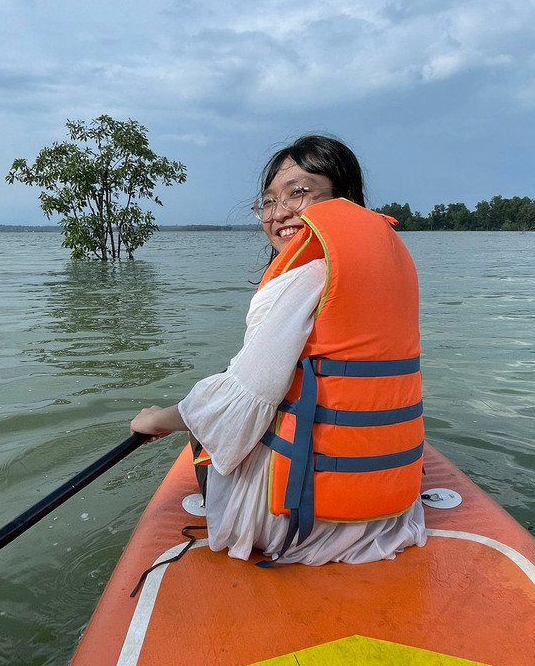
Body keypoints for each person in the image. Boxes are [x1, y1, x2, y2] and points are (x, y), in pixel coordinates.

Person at [131, 135, 428, 565]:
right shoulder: (383, 266)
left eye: (298, 192)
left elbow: (236, 403)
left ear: (342, 200)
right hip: (390, 513)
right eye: (269, 201)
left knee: (204, 422)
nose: (279, 212)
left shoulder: (305, 277)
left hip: (300, 524)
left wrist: (157, 419)